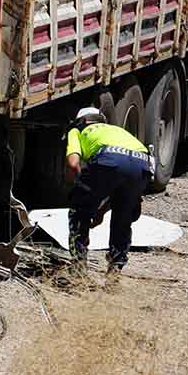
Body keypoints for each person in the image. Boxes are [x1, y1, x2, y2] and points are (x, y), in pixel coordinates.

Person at [63, 107, 154, 272]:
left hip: (108, 159)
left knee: (78, 211)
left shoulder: (78, 130)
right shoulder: (117, 130)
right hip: (143, 165)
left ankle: (79, 268)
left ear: (81, 121)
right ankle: (115, 271)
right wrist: (100, 212)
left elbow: (73, 164)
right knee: (123, 217)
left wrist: (78, 191)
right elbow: (119, 184)